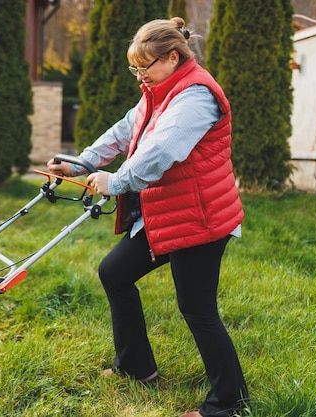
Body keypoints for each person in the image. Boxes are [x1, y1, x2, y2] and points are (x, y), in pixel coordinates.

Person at [47, 17, 248, 417]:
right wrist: (81, 163)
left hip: (200, 220)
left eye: (145, 68)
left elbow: (159, 153)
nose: (140, 77)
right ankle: (137, 368)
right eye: (134, 69)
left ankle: (229, 405)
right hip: (169, 212)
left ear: (173, 57)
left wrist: (115, 181)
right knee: (115, 273)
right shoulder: (158, 90)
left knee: (197, 309)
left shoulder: (195, 97)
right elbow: (127, 130)